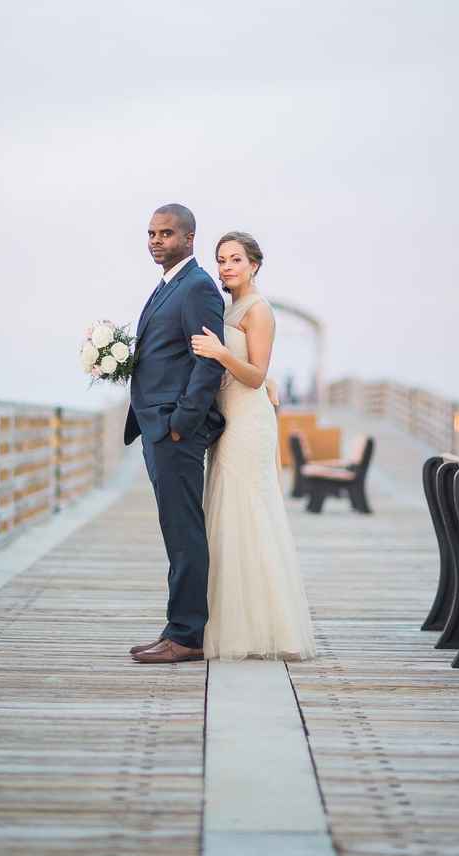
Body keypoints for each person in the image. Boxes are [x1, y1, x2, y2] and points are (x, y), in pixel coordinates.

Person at [191, 231, 317, 660]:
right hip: (228, 418)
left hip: (247, 422)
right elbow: (258, 369)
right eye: (221, 259)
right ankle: (232, 623)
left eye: (236, 260)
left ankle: (267, 630)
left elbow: (255, 374)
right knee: (226, 516)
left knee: (248, 514)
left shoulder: (259, 309)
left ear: (254, 265)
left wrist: (220, 353)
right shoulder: (230, 307)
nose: (227, 267)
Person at [125, 203, 226, 664]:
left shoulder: (198, 287)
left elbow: (208, 361)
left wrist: (181, 425)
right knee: (175, 531)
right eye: (151, 233)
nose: (155, 241)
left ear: (189, 238)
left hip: (175, 431)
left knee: (184, 533)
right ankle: (176, 628)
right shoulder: (168, 285)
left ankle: (187, 636)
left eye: (165, 233)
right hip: (156, 427)